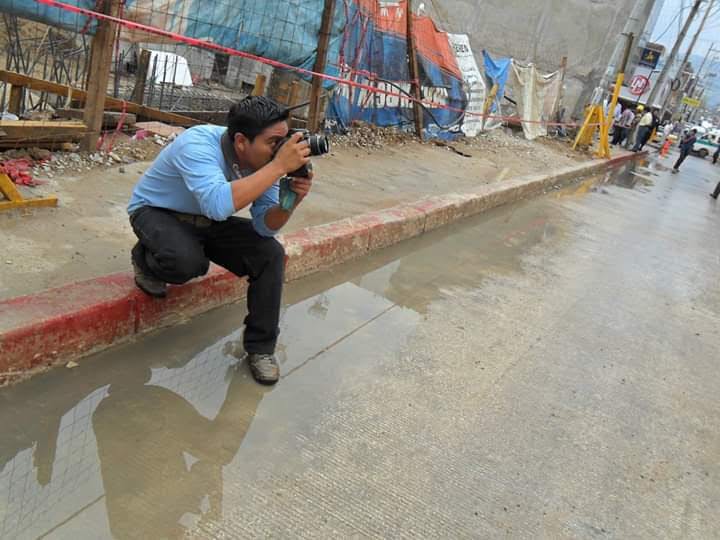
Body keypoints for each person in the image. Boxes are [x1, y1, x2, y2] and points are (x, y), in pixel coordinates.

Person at [127, 96, 314, 385]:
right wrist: (278, 167)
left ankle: (261, 350)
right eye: (273, 142)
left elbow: (265, 227)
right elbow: (217, 204)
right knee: (187, 262)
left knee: (270, 254)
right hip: (157, 212)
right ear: (241, 141)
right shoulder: (198, 144)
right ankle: (145, 258)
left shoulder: (263, 163)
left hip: (208, 220)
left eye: (283, 140)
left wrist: (290, 201)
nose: (279, 150)